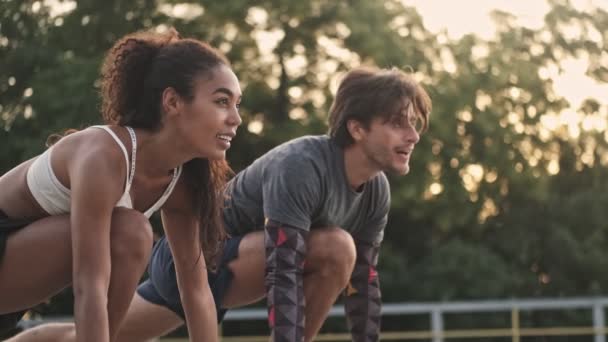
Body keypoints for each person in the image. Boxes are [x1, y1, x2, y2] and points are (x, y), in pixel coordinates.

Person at [11, 66, 430, 342]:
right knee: (337, 246)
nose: (412, 135)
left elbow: (363, 283)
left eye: (415, 124)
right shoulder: (302, 165)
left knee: (98, 334)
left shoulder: (376, 192)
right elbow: (284, 270)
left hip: (230, 271)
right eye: (398, 123)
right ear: (357, 128)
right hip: (198, 260)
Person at [0, 28, 242, 342]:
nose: (235, 118)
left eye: (237, 104)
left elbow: (196, 291)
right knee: (131, 230)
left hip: (19, 274)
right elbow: (90, 285)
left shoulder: (182, 183)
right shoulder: (104, 155)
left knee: (132, 233)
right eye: (222, 101)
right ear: (172, 102)